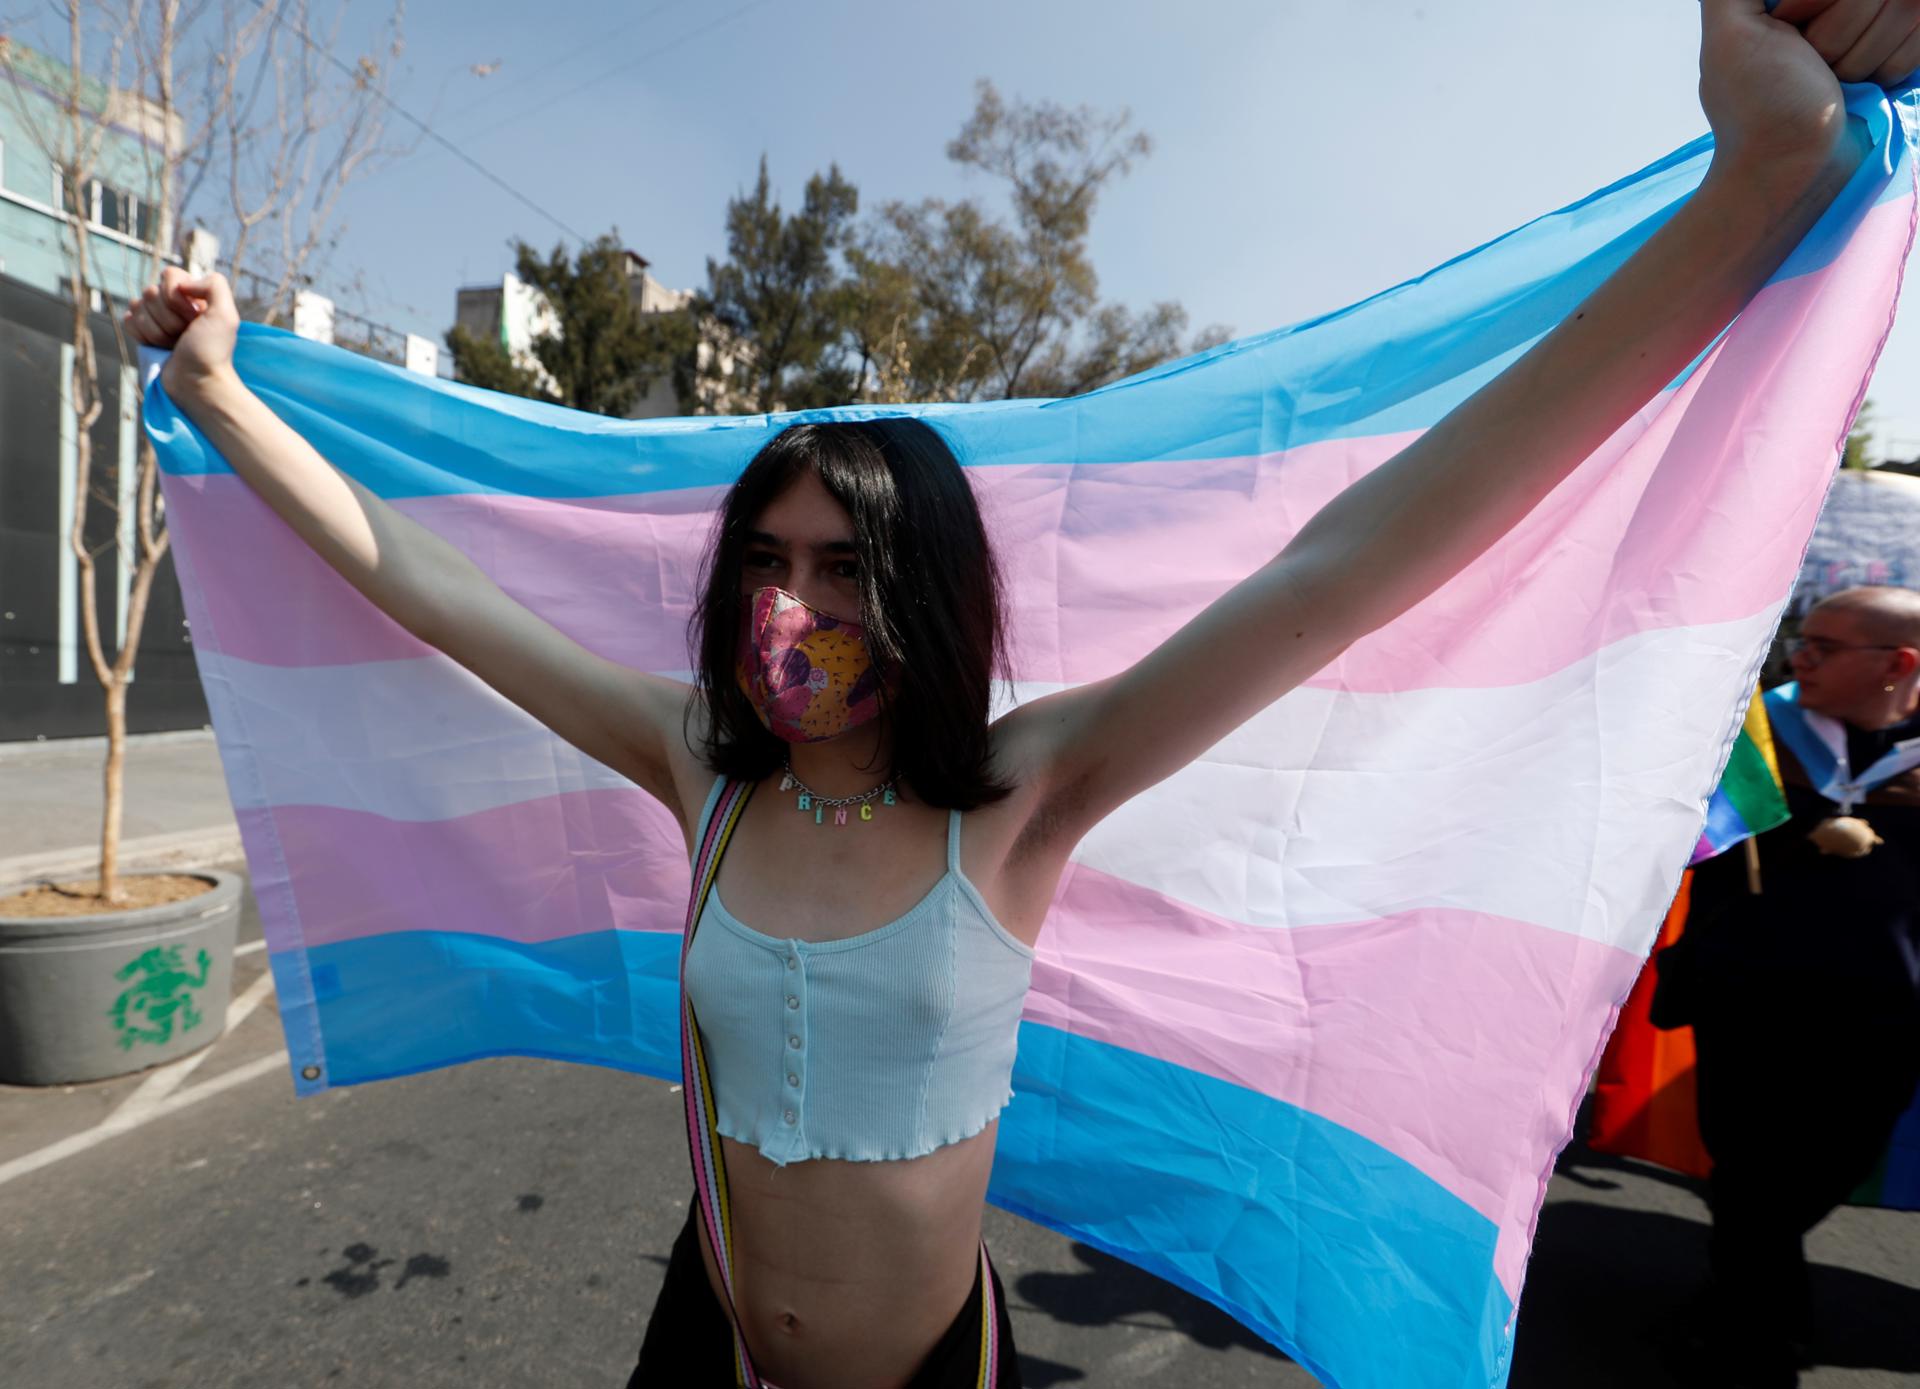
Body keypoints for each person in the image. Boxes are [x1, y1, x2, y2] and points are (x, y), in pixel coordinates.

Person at [125, 4, 1920, 1384]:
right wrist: (216, 391)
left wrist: (1752, 184)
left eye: (843, 564)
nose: (795, 603)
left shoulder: (1029, 788)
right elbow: (413, 573)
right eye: (768, 560)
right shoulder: (698, 765)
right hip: (710, 1344)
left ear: (920, 592)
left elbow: (1362, 553)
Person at [1661, 586, 1920, 1388]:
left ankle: (1743, 1279)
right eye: (1802, 639)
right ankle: (1758, 1329)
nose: (1798, 657)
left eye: (1824, 646)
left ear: (1898, 665)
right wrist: (1794, 825)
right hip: (1748, 993)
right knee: (1747, 1165)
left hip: (1884, 1016)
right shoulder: (1754, 731)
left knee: (1824, 1167)